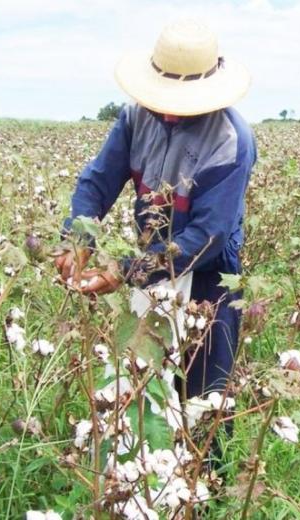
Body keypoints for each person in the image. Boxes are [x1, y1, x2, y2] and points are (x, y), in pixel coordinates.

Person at [54, 19, 256, 403]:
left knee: (203, 404)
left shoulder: (231, 142)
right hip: (151, 264)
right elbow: (97, 183)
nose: (169, 112)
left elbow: (205, 239)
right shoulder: (135, 118)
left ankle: (207, 464)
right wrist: (78, 240)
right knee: (136, 393)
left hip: (209, 277)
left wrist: (126, 269)